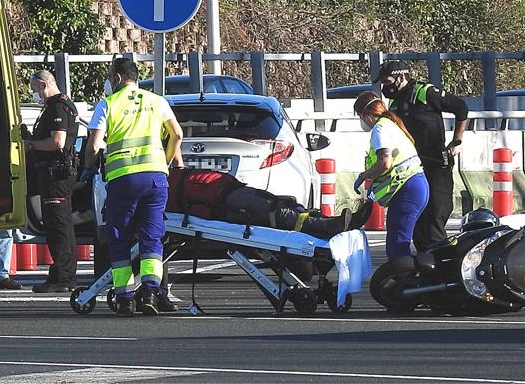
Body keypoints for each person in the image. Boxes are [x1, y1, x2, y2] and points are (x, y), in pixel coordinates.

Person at [82, 58, 183, 316]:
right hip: (155, 178)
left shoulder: (108, 104)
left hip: (122, 179)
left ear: (116, 78)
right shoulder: (157, 101)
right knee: (152, 237)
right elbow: (177, 134)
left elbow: (94, 146)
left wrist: (88, 167)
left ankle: (125, 297)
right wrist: (166, 161)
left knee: (120, 238)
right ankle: (150, 291)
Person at [374, 61, 468, 251]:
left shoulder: (425, 92)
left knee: (435, 217)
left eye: (388, 81)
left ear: (401, 77)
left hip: (436, 165)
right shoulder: (394, 103)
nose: (385, 87)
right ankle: (425, 268)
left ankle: (444, 267)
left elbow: (461, 108)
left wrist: (456, 141)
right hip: (413, 170)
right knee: (418, 223)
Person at [166, 167, 372, 238]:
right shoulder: (154, 191)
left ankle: (329, 221)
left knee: (278, 203)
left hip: (221, 191)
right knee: (273, 210)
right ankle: (326, 225)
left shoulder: (156, 176)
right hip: (216, 204)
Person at [353, 91, 429, 260]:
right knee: (406, 240)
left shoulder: (380, 129)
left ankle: (403, 283)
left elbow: (384, 163)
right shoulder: (391, 124)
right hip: (415, 186)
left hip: (407, 190)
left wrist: (363, 175)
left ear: (366, 114)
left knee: (397, 246)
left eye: (359, 115)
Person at [25, 70, 79, 293]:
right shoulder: (52, 106)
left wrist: (32, 145)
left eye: (35, 89)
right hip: (50, 173)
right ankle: (59, 273)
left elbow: (58, 141)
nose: (35, 94)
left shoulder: (58, 106)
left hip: (56, 173)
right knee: (55, 225)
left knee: (59, 226)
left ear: (43, 84)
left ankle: (64, 277)